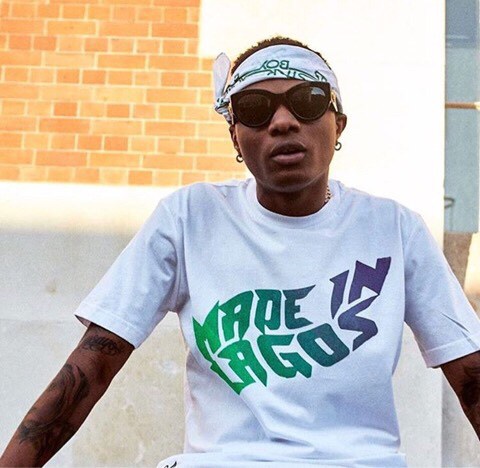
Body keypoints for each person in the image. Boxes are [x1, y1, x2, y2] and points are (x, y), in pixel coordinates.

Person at [1, 36, 480, 468]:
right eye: (254, 109)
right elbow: (91, 368)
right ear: (235, 137)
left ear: (338, 124)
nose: (283, 122)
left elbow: (469, 371)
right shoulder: (190, 217)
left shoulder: (394, 229)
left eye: (307, 101)